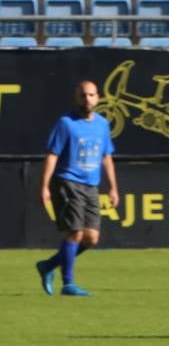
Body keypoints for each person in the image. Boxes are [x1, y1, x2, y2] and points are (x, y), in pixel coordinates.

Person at [35, 80, 119, 298]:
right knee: (74, 232)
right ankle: (68, 284)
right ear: (77, 98)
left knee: (91, 238)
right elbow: (52, 155)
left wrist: (113, 188)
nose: (87, 99)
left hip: (91, 185)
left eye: (91, 95)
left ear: (98, 97)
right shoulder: (66, 123)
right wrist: (44, 186)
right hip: (67, 181)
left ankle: (47, 266)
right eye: (83, 95)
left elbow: (106, 157)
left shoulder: (102, 124)